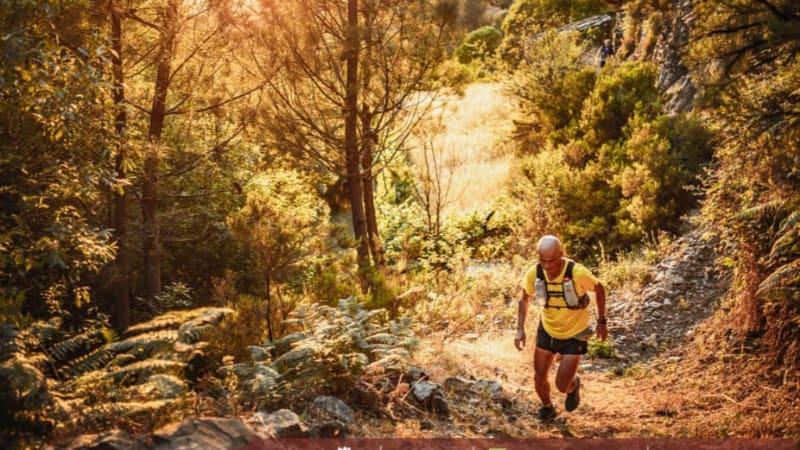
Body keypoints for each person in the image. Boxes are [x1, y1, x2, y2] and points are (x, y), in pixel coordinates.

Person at [514, 235, 608, 421]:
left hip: (575, 334)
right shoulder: (535, 273)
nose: (547, 266)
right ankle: (547, 408)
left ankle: (574, 385)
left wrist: (601, 321)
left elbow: (599, 288)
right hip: (548, 330)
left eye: (552, 260)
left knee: (562, 385)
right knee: (539, 379)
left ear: (561, 254)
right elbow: (524, 298)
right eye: (543, 260)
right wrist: (520, 329)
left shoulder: (577, 273)